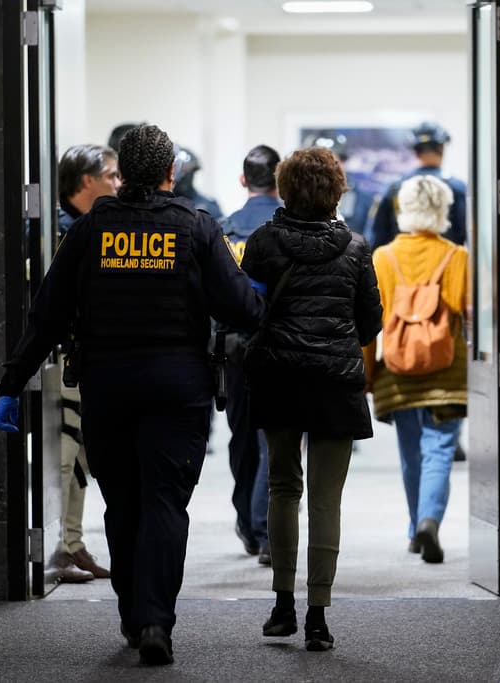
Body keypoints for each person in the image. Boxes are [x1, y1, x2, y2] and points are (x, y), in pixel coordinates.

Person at [0, 124, 266, 666]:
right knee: (165, 502)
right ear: (170, 173)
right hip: (177, 386)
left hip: (108, 386)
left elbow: (46, 314)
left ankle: (132, 615)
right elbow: (239, 308)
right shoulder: (196, 227)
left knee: (122, 503)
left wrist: (10, 382)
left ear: (126, 175)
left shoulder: (94, 228)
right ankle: (156, 621)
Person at [240, 147, 382, 652]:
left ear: (285, 188)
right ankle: (318, 615)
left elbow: (248, 311)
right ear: (336, 190)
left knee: (283, 486)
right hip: (335, 382)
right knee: (326, 498)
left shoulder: (262, 242)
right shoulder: (356, 248)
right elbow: (371, 323)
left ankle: (282, 606)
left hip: (279, 376)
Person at [364, 175, 469, 564]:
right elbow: (469, 311)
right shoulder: (457, 257)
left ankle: (414, 529)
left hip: (398, 369)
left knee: (411, 453)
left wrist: (367, 375)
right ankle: (429, 521)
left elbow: (369, 324)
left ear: (401, 209)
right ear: (444, 210)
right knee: (439, 448)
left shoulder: (382, 258)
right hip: (447, 372)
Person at [48, 144, 121, 583]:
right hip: (65, 360)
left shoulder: (87, 228)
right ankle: (62, 547)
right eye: (110, 175)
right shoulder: (64, 233)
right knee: (66, 457)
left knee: (78, 459)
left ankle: (72, 544)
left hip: (86, 359)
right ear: (85, 181)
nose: (117, 183)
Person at [219, 144, 284, 565]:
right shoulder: (286, 228)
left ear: (243, 180)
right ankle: (263, 528)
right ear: (279, 181)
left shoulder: (223, 229)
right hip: (277, 346)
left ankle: (246, 519)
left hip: (231, 350)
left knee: (240, 437)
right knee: (271, 439)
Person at [368, 121, 467, 250]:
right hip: (447, 265)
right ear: (441, 149)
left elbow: (377, 237)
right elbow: (466, 233)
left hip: (398, 266)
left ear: (415, 152)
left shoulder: (394, 188)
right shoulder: (458, 188)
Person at [173, 146, 223, 220]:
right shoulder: (158, 204)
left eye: (188, 171)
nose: (184, 177)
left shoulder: (208, 207)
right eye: (182, 172)